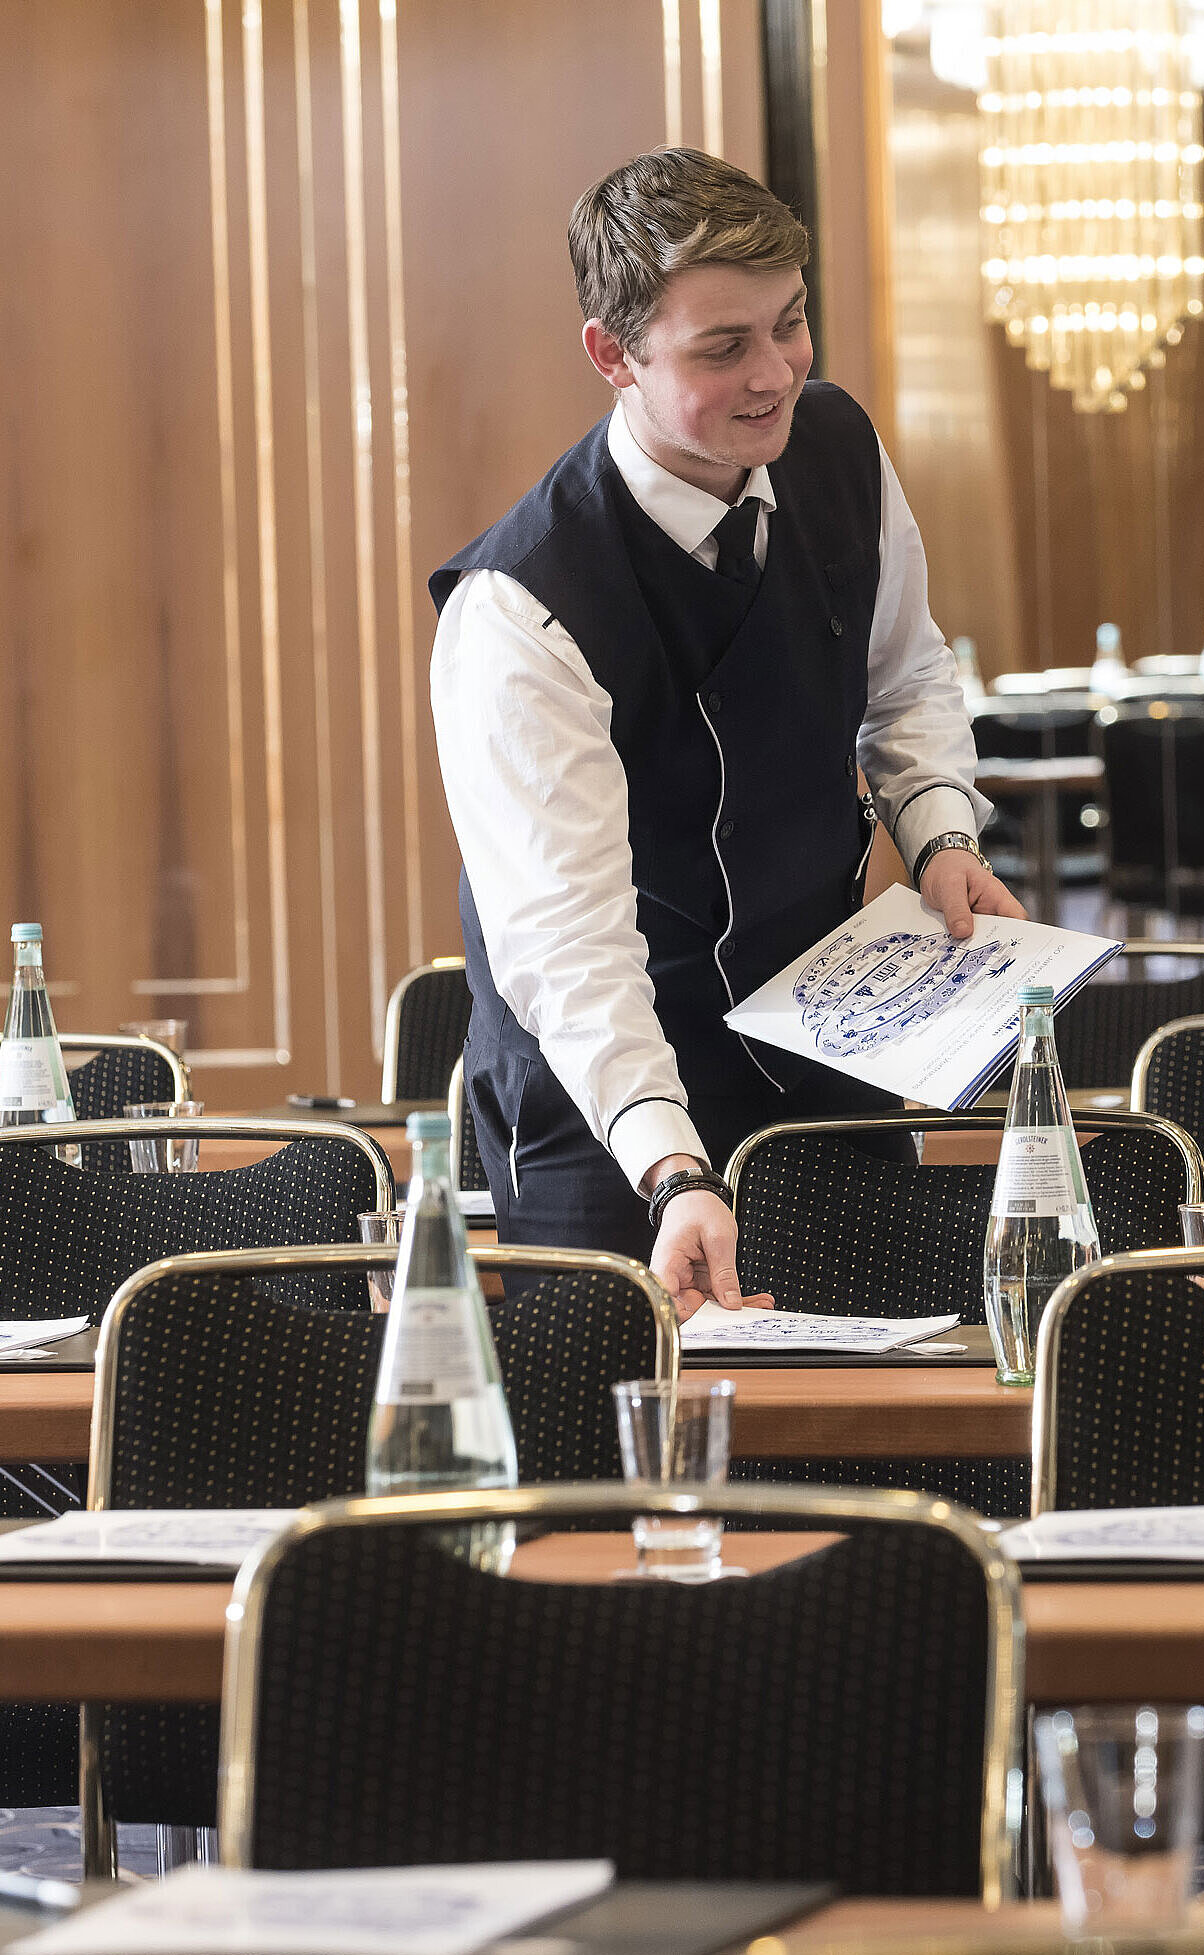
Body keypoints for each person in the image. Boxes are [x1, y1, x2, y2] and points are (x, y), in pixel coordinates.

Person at [430, 148, 1021, 1313]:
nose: (775, 375)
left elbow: (902, 677)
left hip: (822, 1054)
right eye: (722, 348)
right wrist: (673, 1167)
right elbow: (567, 951)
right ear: (612, 354)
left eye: (789, 325)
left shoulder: (836, 450)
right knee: (641, 1467)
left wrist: (943, 834)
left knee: (860, 1442)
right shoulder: (522, 608)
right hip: (610, 1112)